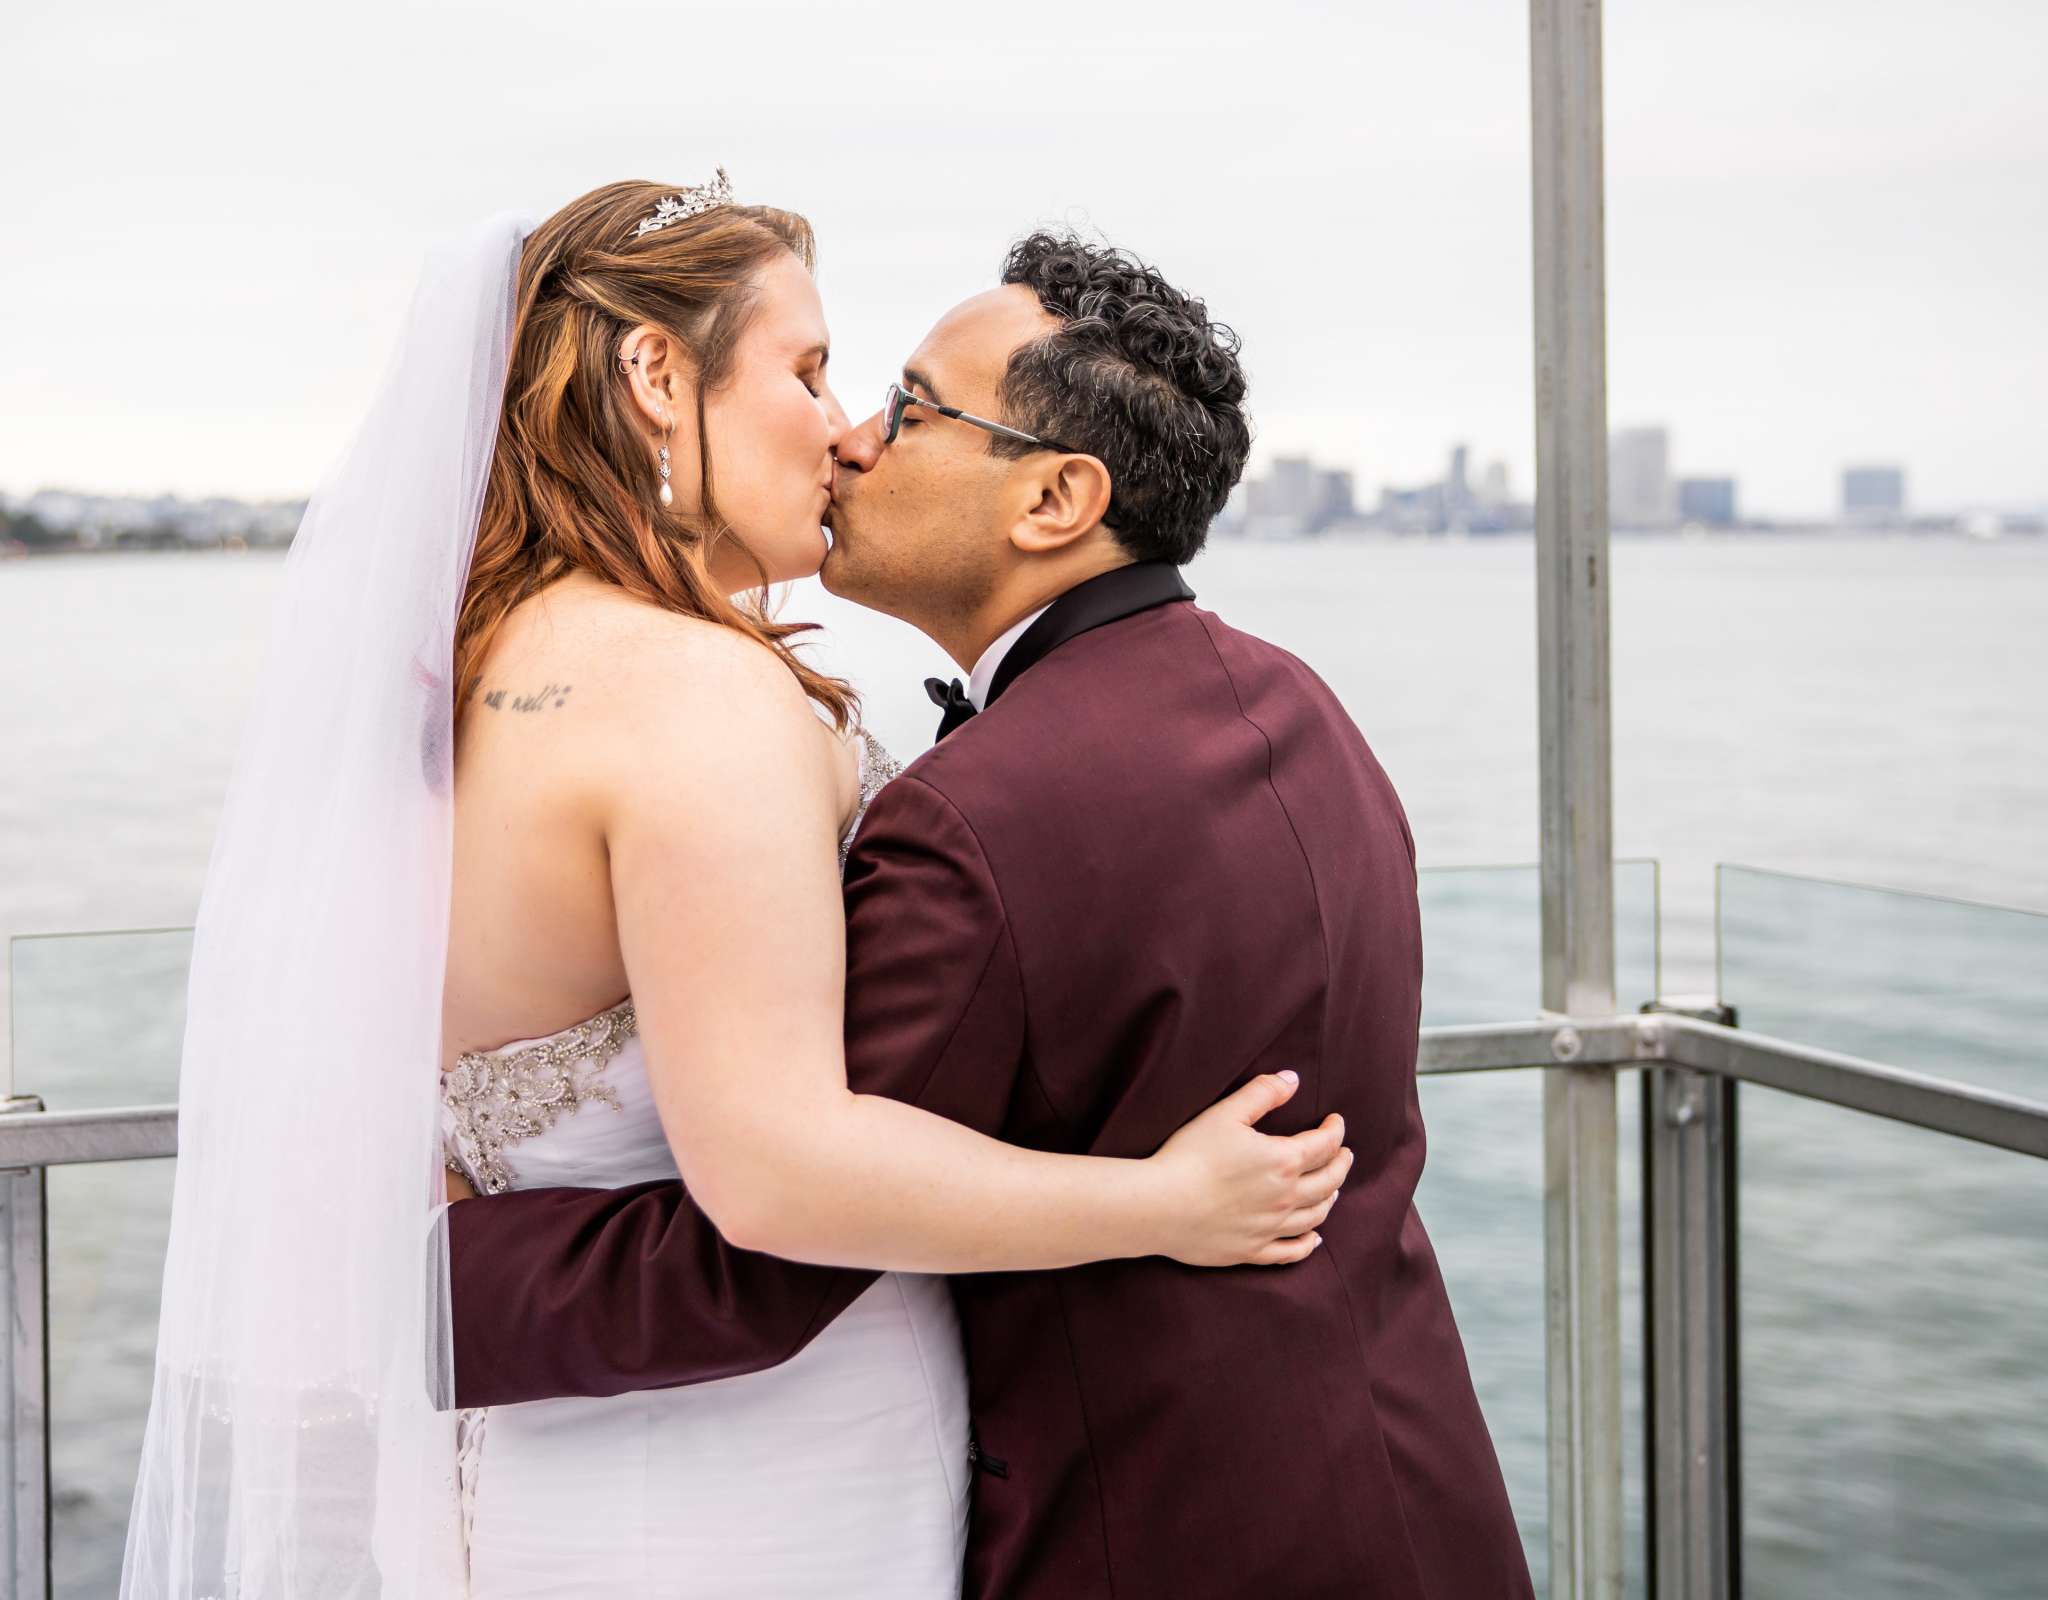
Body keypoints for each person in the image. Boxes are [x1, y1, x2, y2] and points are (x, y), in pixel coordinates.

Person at [120, 175, 1347, 1600]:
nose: (843, 430)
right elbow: (774, 1173)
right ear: (656, 375)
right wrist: (1163, 1202)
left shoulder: (471, 669)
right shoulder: (694, 694)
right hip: (740, 1472)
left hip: (531, 1445)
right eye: (812, 370)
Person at [442, 229, 1536, 1597]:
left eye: (905, 406)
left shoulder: (977, 820)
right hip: (1408, 1489)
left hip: (1147, 1537)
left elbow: (773, 1246)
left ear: (1057, 501)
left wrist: (413, 1278)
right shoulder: (1301, 711)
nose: (851, 439)